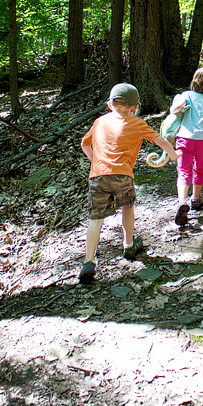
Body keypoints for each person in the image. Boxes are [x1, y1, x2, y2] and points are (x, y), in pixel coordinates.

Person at [79, 83, 181, 284]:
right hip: (122, 175)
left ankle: (89, 261)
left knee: (96, 217)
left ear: (110, 104)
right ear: (135, 107)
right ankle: (128, 245)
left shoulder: (99, 122)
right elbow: (160, 140)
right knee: (127, 206)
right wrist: (174, 155)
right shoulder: (137, 123)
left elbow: (84, 143)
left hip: (98, 175)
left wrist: (96, 161)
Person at [169, 67, 203, 227]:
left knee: (184, 170)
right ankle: (196, 198)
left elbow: (175, 110)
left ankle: (182, 201)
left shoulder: (186, 95)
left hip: (184, 138)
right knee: (199, 169)